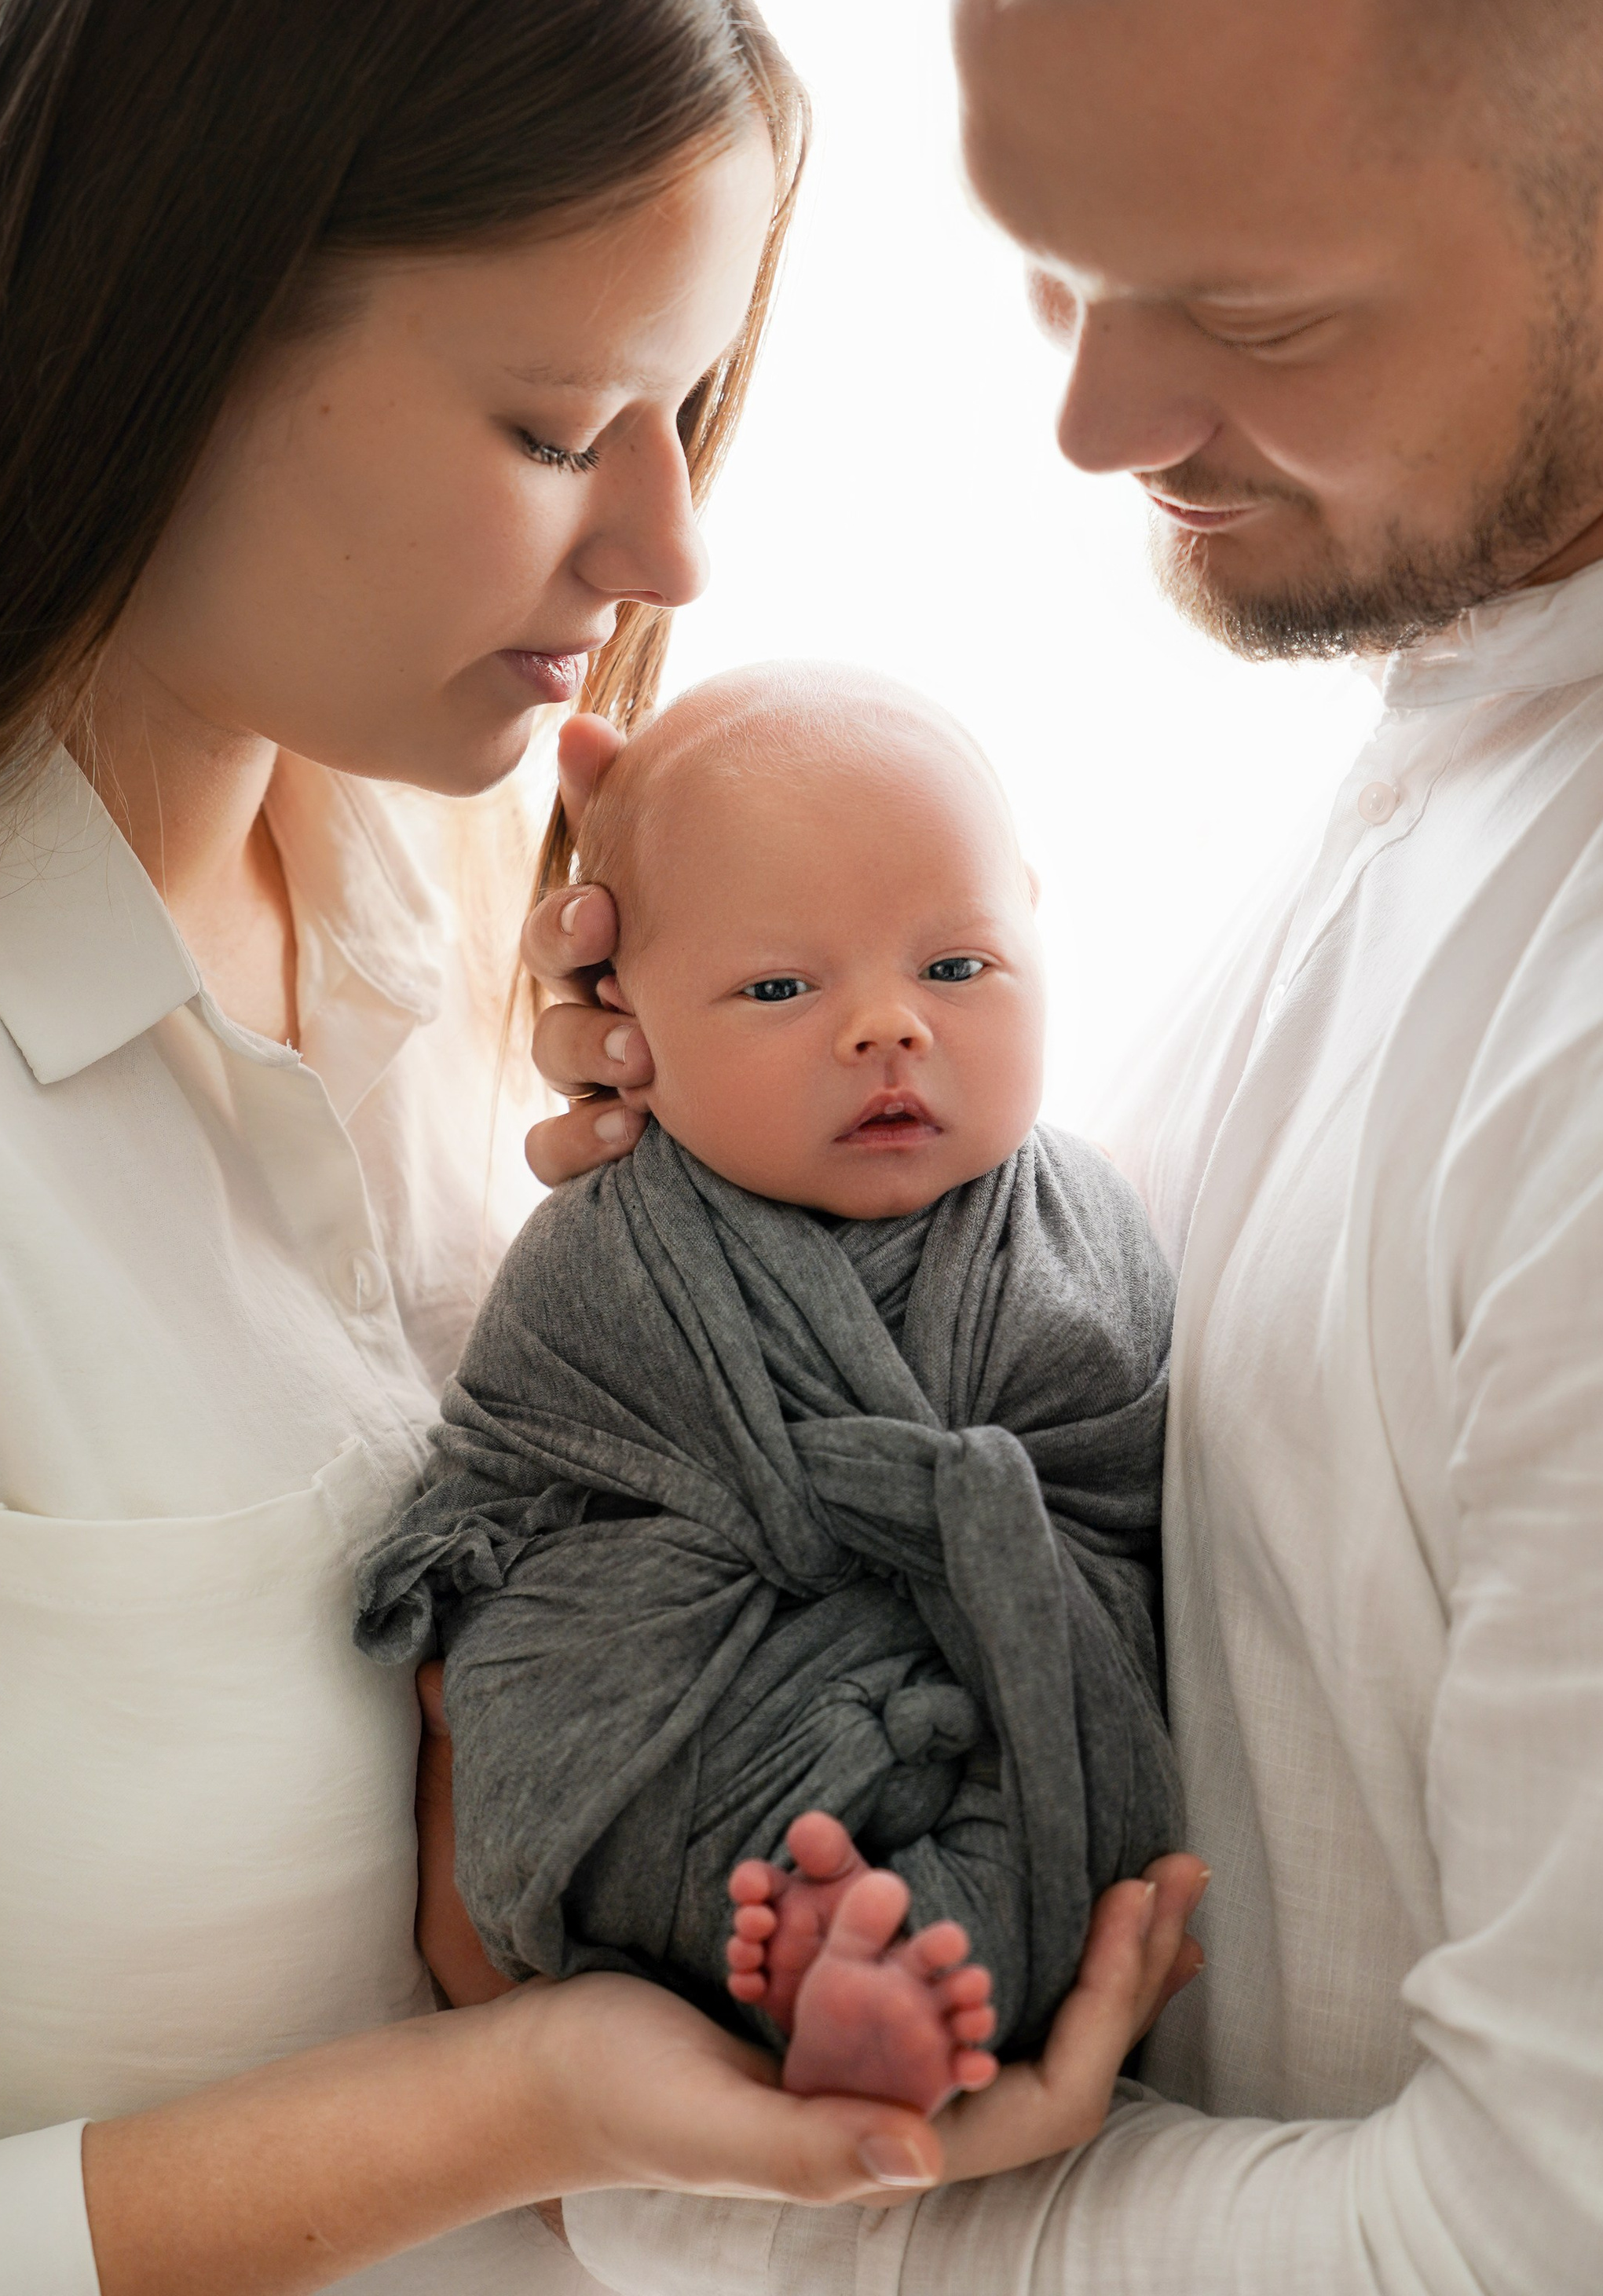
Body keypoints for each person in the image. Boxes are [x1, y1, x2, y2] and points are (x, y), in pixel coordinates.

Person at [0, 0, 1203, 2296]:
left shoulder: (511, 961)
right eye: (560, 424)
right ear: (153, 330)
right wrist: (522, 2097)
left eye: (693, 409)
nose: (663, 533)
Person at [526, 0, 1603, 2292]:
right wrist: (763, 1222)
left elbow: (1587, 2249)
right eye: (1052, 265)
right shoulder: (1499, 661)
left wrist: (690, 2203)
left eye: (1262, 308)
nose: (1097, 426)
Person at [354, 664, 1182, 2110]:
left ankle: (886, 1971)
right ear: (630, 1029)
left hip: (980, 1657)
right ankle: (813, 1950)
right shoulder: (606, 1243)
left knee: (1054, 1758)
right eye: (783, 988)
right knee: (566, 1696)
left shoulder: (1082, 1225)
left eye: (956, 967)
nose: (887, 1027)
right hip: (694, 1678)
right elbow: (505, 1474)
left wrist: (975, 1556)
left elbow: (1108, 1492)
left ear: (1040, 934)